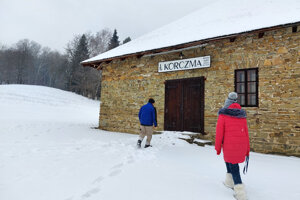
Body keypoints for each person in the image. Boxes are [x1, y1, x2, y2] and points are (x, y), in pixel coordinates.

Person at [215, 92, 250, 200]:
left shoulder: (223, 115)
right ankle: (229, 182)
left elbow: (219, 133)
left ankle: (240, 193)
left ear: (227, 104)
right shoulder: (241, 115)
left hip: (229, 145)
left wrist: (217, 147)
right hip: (241, 145)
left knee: (234, 167)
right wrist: (247, 149)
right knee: (230, 162)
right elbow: (246, 133)